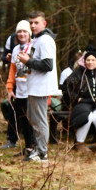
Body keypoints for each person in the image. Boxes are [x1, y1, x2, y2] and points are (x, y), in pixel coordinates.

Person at [16, 11, 57, 162]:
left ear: (44, 24)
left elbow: (48, 65)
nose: (33, 25)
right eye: (31, 22)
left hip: (41, 87)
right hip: (34, 86)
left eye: (36, 22)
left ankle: (42, 153)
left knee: (40, 120)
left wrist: (28, 61)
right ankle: (38, 149)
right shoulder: (37, 39)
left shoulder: (45, 40)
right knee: (33, 119)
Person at [62, 47, 96, 152]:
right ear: (84, 61)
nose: (90, 62)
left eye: (93, 60)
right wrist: (76, 98)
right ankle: (80, 144)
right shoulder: (78, 73)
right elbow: (66, 87)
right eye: (88, 60)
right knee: (87, 117)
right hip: (82, 104)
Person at [5, 20, 35, 156]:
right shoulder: (16, 49)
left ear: (29, 34)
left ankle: (35, 147)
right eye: (19, 32)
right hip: (19, 89)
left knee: (31, 119)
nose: (22, 34)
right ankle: (28, 147)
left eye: (25, 31)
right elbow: (13, 70)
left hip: (32, 89)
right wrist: (10, 88)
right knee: (22, 118)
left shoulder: (34, 47)